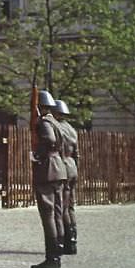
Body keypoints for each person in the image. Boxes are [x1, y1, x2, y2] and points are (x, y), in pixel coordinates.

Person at [31, 90, 67, 268]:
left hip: (48, 169)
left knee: (48, 215)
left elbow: (49, 139)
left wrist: (38, 154)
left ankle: (52, 258)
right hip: (59, 168)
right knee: (58, 213)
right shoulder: (55, 122)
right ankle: (58, 252)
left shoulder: (45, 122)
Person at [54, 99, 79, 255]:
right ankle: (73, 241)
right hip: (72, 167)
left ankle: (65, 242)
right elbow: (77, 153)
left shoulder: (57, 128)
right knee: (70, 207)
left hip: (62, 166)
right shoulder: (71, 129)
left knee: (61, 207)